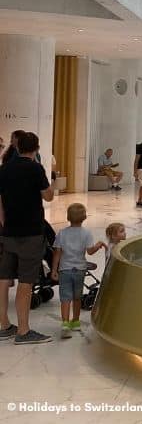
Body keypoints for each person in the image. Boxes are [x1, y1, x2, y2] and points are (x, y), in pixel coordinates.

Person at [0, 132, 55, 344]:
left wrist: (4, 225)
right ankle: (23, 330)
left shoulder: (4, 169)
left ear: (17, 146)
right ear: (36, 148)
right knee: (26, 281)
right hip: (30, 232)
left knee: (4, 277)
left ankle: (4, 324)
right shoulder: (35, 168)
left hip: (9, 231)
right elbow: (48, 195)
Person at [50, 203, 106, 339]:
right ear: (84, 217)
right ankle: (75, 321)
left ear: (68, 217)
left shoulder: (62, 233)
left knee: (65, 298)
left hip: (64, 270)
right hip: (80, 270)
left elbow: (57, 253)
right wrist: (98, 245)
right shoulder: (86, 233)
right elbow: (90, 252)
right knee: (77, 297)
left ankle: (65, 323)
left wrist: (54, 270)